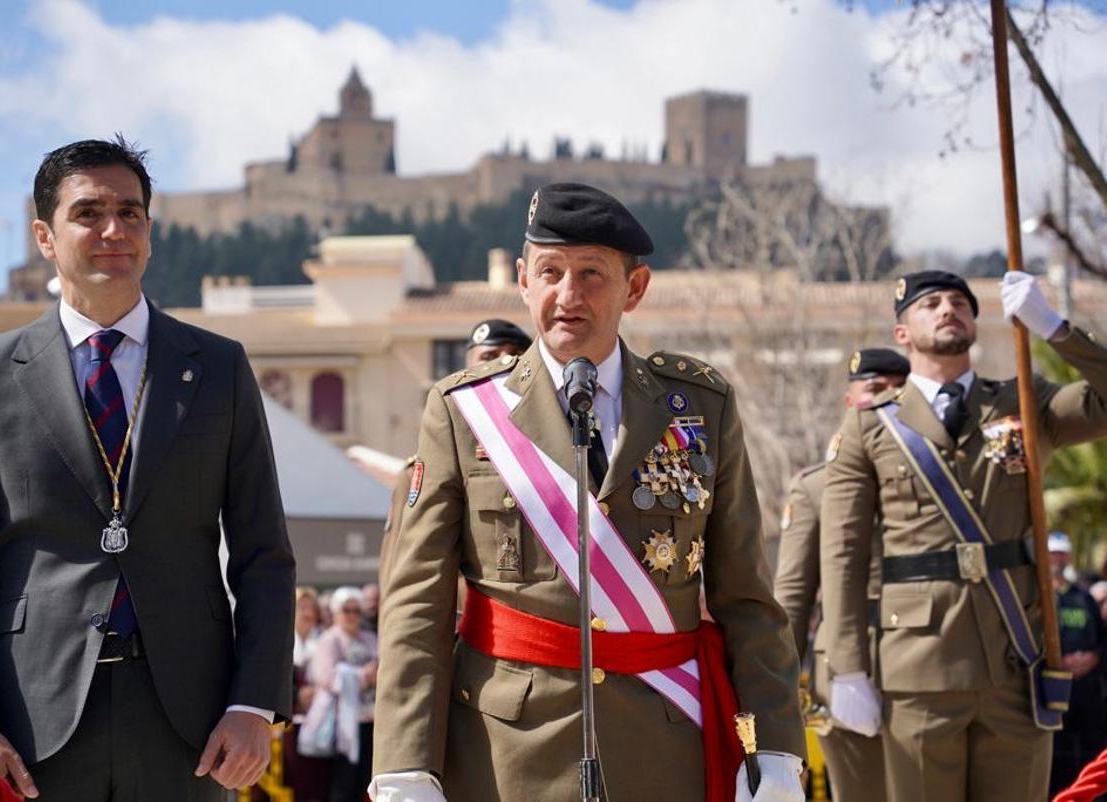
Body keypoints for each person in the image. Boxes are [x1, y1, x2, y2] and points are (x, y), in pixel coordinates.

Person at [371, 182, 806, 802]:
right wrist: (404, 765)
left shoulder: (700, 408)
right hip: (510, 752)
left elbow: (748, 600)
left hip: (662, 743)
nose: (568, 295)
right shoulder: (463, 412)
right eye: (550, 272)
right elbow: (419, 603)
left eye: (592, 274)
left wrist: (777, 749)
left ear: (635, 288)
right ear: (523, 280)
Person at [0, 137, 296, 800]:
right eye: (88, 213)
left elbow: (264, 556)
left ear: (150, 230)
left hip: (194, 726)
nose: (114, 230)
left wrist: (255, 705)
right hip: (29, 723)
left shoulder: (219, 367)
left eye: (131, 212)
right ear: (44, 235)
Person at [820, 269, 1107, 802]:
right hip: (918, 669)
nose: (949, 308)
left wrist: (1054, 328)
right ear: (902, 333)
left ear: (976, 321)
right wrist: (848, 667)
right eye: (931, 304)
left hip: (1016, 660)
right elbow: (843, 554)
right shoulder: (871, 425)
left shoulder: (1023, 402)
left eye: (960, 302)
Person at [773, 347, 909, 802]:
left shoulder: (930, 479)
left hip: (928, 653)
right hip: (848, 665)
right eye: (874, 390)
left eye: (897, 390)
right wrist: (780, 689)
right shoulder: (816, 485)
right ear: (851, 401)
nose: (888, 399)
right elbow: (793, 594)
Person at [377, 319, 533, 593]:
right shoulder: (417, 472)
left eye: (516, 356)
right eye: (488, 356)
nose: (504, 364)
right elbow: (400, 573)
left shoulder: (554, 458)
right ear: (467, 369)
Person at [1047, 533, 1107, 797]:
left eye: (1062, 553)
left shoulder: (1083, 597)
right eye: (1053, 554)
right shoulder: (1039, 596)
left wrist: (1093, 658)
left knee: (1089, 753)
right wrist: (1057, 662)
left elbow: (1102, 638)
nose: (1058, 559)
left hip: (1086, 691)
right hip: (1052, 689)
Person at [314, 587, 378, 802]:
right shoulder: (329, 640)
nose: (351, 615)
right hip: (342, 727)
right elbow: (325, 678)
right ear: (335, 612)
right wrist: (364, 677)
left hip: (371, 722)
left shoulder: (370, 638)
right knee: (343, 786)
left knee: (367, 785)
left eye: (356, 610)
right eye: (346, 610)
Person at [289, 588, 331, 802]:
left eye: (310, 607)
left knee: (318, 783)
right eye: (301, 607)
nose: (307, 612)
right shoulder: (284, 642)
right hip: (288, 728)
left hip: (322, 725)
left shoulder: (326, 639)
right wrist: (296, 697)